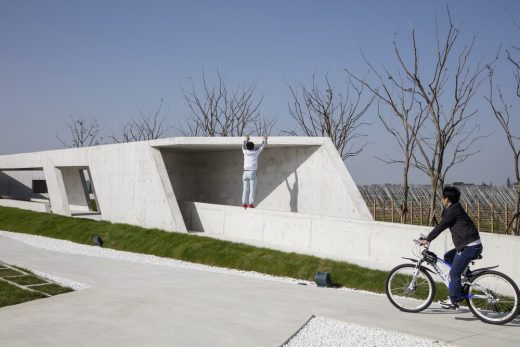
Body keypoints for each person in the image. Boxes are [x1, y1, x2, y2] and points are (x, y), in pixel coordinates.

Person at [418, 185, 483, 310]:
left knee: (454, 273)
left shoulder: (452, 210)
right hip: (469, 245)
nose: (442, 200)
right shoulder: (455, 208)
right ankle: (465, 277)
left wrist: (427, 239)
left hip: (469, 247)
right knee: (448, 256)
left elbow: (441, 226)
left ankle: (454, 300)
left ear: (446, 199)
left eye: (443, 198)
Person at [241, 135, 267, 209]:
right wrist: (264, 140)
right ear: (253, 147)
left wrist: (246, 139)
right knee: (252, 189)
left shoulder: (245, 152)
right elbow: (261, 147)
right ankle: (251, 204)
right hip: (252, 172)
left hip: (245, 173)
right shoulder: (256, 152)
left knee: (245, 189)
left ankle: (244, 203)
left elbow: (243, 146)